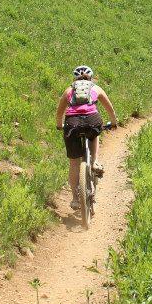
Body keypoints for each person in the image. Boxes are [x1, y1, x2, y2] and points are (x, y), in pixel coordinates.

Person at [56, 65, 118, 210]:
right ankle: (95, 161)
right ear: (91, 77)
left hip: (72, 123)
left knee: (74, 163)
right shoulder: (96, 89)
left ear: (75, 78)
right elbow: (110, 109)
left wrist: (60, 126)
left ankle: (75, 199)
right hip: (92, 120)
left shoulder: (68, 90)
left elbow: (59, 113)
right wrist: (114, 123)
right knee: (94, 133)